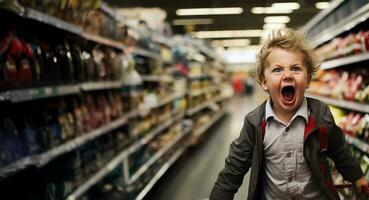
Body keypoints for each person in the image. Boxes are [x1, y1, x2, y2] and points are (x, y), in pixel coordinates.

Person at [209, 28, 368, 200]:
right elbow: (234, 169)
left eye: (295, 68)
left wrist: (358, 178)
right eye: (277, 70)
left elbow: (340, 151)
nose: (287, 75)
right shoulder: (255, 123)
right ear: (264, 82)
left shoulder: (320, 114)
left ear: (307, 80)